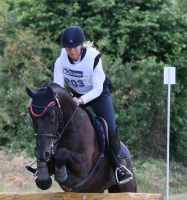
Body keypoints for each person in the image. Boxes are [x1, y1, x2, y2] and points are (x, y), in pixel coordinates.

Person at [53, 26, 133, 184]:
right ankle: (46, 162)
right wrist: (65, 96)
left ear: (81, 46)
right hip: (74, 94)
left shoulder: (94, 58)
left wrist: (81, 100)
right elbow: (58, 87)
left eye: (74, 47)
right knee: (58, 123)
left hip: (98, 95)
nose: (72, 52)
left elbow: (97, 88)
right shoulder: (60, 60)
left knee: (109, 126)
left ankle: (118, 166)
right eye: (68, 48)